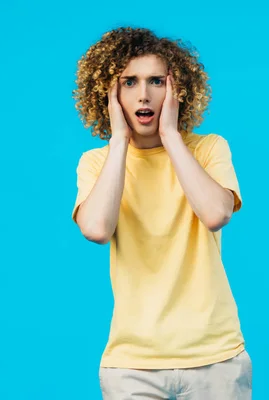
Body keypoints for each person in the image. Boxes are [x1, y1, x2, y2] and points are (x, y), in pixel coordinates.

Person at [71, 27, 252, 400]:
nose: (144, 94)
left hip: (216, 357)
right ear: (109, 93)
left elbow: (217, 214)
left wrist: (170, 136)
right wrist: (119, 141)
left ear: (178, 89)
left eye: (157, 81)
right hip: (132, 364)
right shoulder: (97, 163)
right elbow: (97, 229)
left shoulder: (208, 148)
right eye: (129, 82)